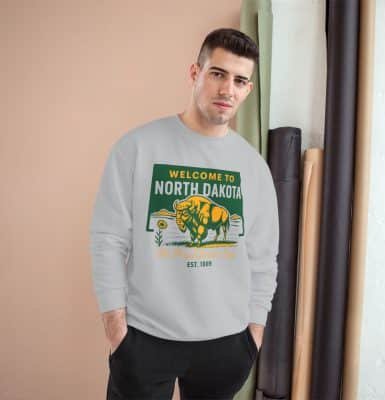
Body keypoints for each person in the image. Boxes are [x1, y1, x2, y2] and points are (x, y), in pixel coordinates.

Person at [89, 27, 279, 400]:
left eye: (240, 80)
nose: (228, 89)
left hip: (227, 343)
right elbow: (108, 240)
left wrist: (253, 334)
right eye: (218, 73)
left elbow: (263, 257)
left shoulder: (253, 166)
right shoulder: (137, 147)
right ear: (195, 73)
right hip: (145, 338)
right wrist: (116, 328)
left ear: (248, 90)